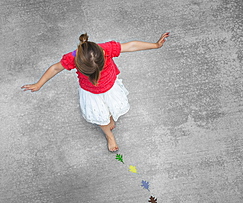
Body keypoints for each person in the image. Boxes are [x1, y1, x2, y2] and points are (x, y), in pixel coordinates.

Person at [21, 32, 170, 152]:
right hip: (91, 94)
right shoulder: (72, 58)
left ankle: (109, 119)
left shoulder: (106, 49)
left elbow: (131, 45)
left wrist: (156, 45)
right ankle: (109, 135)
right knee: (100, 117)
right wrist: (39, 84)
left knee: (111, 107)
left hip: (110, 87)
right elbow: (55, 68)